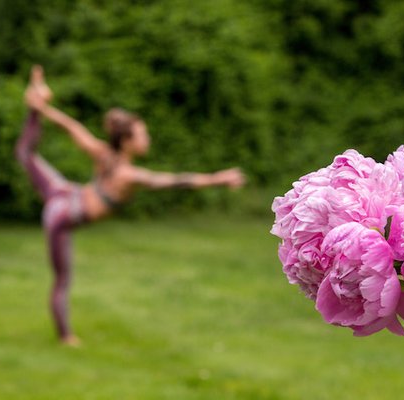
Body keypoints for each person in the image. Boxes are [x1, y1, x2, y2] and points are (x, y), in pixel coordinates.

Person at [16, 66, 245, 345]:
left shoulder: (104, 154)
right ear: (126, 142)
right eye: (142, 135)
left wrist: (44, 110)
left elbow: (72, 128)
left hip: (65, 193)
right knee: (62, 279)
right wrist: (218, 178)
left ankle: (34, 104)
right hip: (63, 214)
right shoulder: (127, 175)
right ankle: (66, 338)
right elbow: (175, 181)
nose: (147, 139)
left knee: (26, 154)